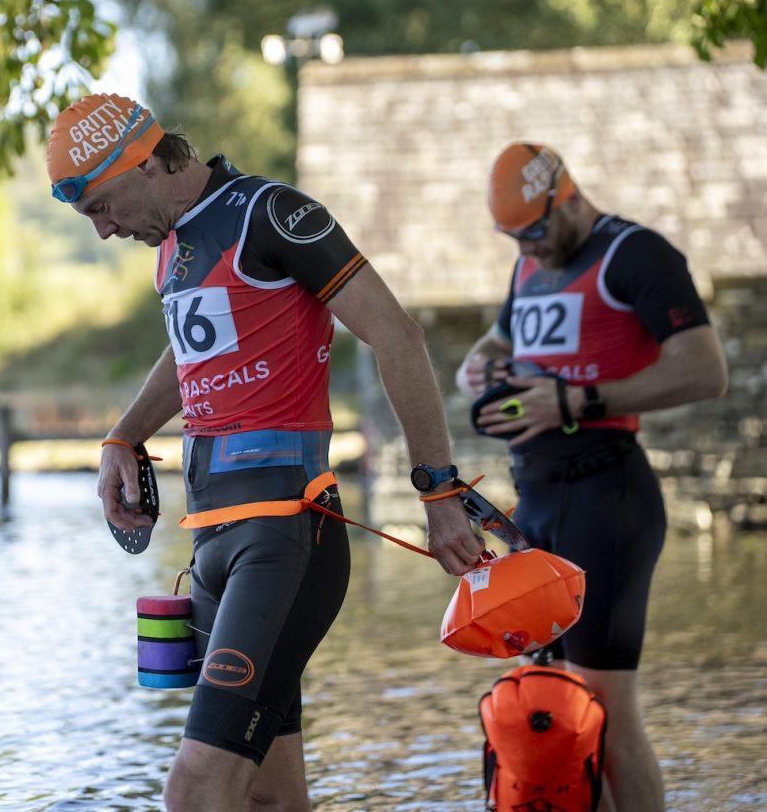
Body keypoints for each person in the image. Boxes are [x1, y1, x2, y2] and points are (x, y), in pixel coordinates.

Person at [47, 92, 481, 811]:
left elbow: (398, 334)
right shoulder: (173, 248)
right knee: (270, 797)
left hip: (286, 538)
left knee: (194, 789)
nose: (102, 231)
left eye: (101, 206)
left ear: (148, 162)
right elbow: (193, 351)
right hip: (215, 547)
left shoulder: (271, 214)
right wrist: (123, 434)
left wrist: (439, 495)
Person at [456, 142, 728, 812]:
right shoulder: (532, 263)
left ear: (566, 196)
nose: (528, 249)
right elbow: (495, 343)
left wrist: (577, 400)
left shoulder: (637, 253)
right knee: (546, 707)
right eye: (513, 237)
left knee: (605, 706)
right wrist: (480, 369)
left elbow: (706, 369)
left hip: (609, 495)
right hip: (537, 504)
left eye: (536, 232)